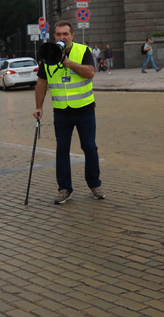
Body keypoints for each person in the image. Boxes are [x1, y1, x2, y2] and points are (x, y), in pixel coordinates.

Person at [33, 21, 104, 204]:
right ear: (54, 36)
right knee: (62, 150)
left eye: (65, 34)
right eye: (58, 34)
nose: (62, 37)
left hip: (85, 110)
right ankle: (65, 189)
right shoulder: (49, 55)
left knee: (89, 147)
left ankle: (94, 184)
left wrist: (68, 63)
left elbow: (90, 73)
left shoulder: (82, 51)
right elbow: (42, 83)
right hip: (62, 112)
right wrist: (39, 107)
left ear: (72, 35)